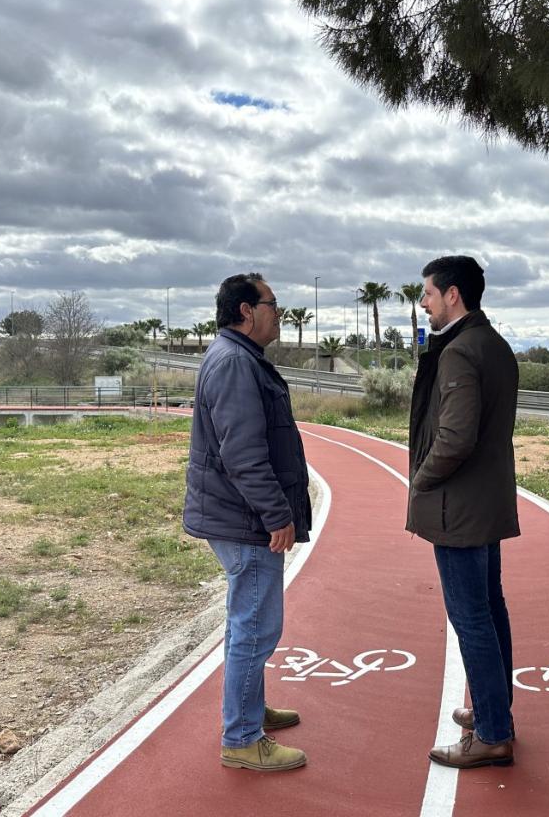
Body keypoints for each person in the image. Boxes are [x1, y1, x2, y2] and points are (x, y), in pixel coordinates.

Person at [182, 273, 312, 772]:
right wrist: (276, 515)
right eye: (273, 304)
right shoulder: (236, 362)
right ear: (245, 310)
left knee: (247, 623)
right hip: (245, 519)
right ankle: (241, 738)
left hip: (236, 514)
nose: (278, 312)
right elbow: (243, 453)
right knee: (255, 627)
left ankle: (249, 711)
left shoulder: (236, 356)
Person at [406, 255, 520, 769]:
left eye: (427, 293)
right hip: (485, 502)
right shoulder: (493, 345)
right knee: (491, 611)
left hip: (459, 510)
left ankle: (493, 733)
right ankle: (494, 713)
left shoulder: (458, 352)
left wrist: (420, 480)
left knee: (471, 619)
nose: (423, 302)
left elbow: (454, 437)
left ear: (453, 295)